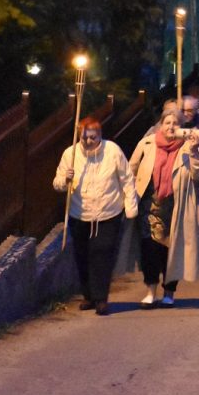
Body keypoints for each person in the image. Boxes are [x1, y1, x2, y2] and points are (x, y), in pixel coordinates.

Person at [53, 118, 137, 315]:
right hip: (80, 213)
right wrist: (65, 178)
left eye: (93, 137)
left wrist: (130, 206)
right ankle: (88, 295)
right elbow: (57, 184)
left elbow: (126, 179)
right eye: (85, 138)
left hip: (108, 212)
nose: (88, 141)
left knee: (102, 253)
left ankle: (101, 299)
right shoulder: (70, 154)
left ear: (100, 136)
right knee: (82, 255)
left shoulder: (113, 151)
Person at [125, 109, 199, 308]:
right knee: (150, 251)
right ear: (160, 125)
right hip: (149, 208)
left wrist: (195, 151)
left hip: (176, 208)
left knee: (172, 252)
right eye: (167, 122)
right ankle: (151, 292)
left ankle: (169, 292)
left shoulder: (188, 146)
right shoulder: (147, 144)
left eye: (175, 123)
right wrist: (129, 195)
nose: (171, 127)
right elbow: (130, 170)